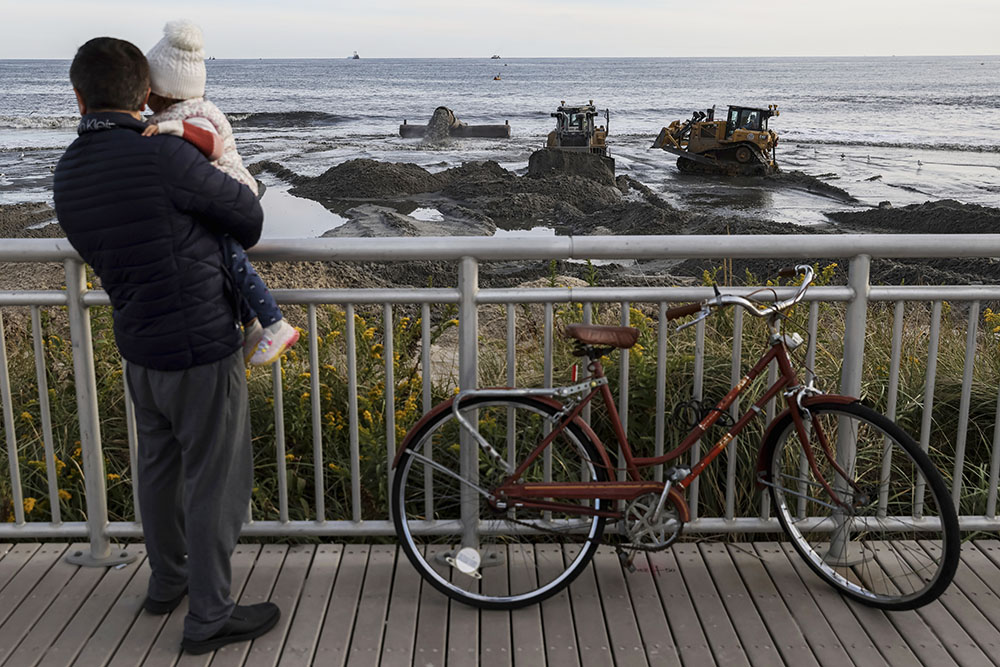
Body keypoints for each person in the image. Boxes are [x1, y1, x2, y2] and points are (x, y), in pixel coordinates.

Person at [52, 36, 279, 654]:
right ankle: (209, 615)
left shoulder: (68, 171)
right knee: (215, 481)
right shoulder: (165, 157)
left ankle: (167, 581)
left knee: (158, 471)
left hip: (138, 343)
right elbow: (249, 219)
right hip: (201, 344)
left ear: (78, 95)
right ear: (146, 94)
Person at [142, 19, 298, 366]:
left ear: (165, 90)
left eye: (148, 88)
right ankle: (253, 323)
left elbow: (210, 146)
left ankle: (274, 323)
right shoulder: (189, 110)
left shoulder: (193, 115)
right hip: (224, 192)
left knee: (231, 257)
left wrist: (171, 128)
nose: (145, 95)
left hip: (233, 190)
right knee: (222, 255)